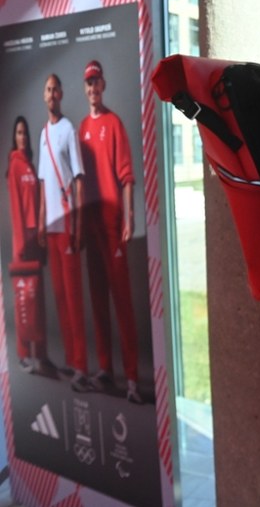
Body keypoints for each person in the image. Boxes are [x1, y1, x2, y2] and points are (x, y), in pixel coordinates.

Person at [78, 60, 141, 404]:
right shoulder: (82, 129)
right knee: (98, 300)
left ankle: (131, 378)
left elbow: (126, 176)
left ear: (103, 86)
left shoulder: (114, 124)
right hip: (91, 227)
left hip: (113, 223)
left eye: (96, 83)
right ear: (85, 89)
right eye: (88, 84)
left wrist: (129, 217)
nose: (93, 89)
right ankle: (105, 369)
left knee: (122, 303)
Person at [37, 74, 91, 393]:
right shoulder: (43, 134)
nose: (52, 93)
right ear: (44, 96)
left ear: (61, 94)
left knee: (73, 297)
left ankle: (82, 367)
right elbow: (44, 182)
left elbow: (79, 181)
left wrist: (79, 225)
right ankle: (71, 360)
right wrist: (41, 222)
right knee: (60, 296)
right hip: (52, 227)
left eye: (56, 88)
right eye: (48, 89)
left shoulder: (68, 129)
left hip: (69, 222)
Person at [6, 116, 48, 373]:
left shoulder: (30, 166)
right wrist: (21, 245)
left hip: (35, 240)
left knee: (37, 299)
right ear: (15, 137)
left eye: (25, 133)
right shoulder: (14, 166)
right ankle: (23, 355)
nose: (22, 137)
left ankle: (41, 355)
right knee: (23, 299)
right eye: (19, 133)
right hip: (22, 242)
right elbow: (16, 209)